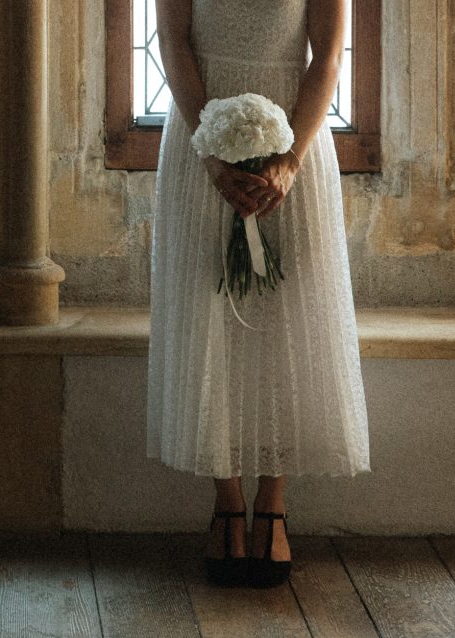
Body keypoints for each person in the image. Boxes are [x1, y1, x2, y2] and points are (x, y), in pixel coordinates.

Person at [147, 0, 369, 588]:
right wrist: (213, 154)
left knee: (289, 316)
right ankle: (225, 500)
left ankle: (273, 500)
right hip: (201, 142)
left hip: (294, 140)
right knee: (206, 306)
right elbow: (174, 43)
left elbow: (325, 58)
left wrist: (291, 160)